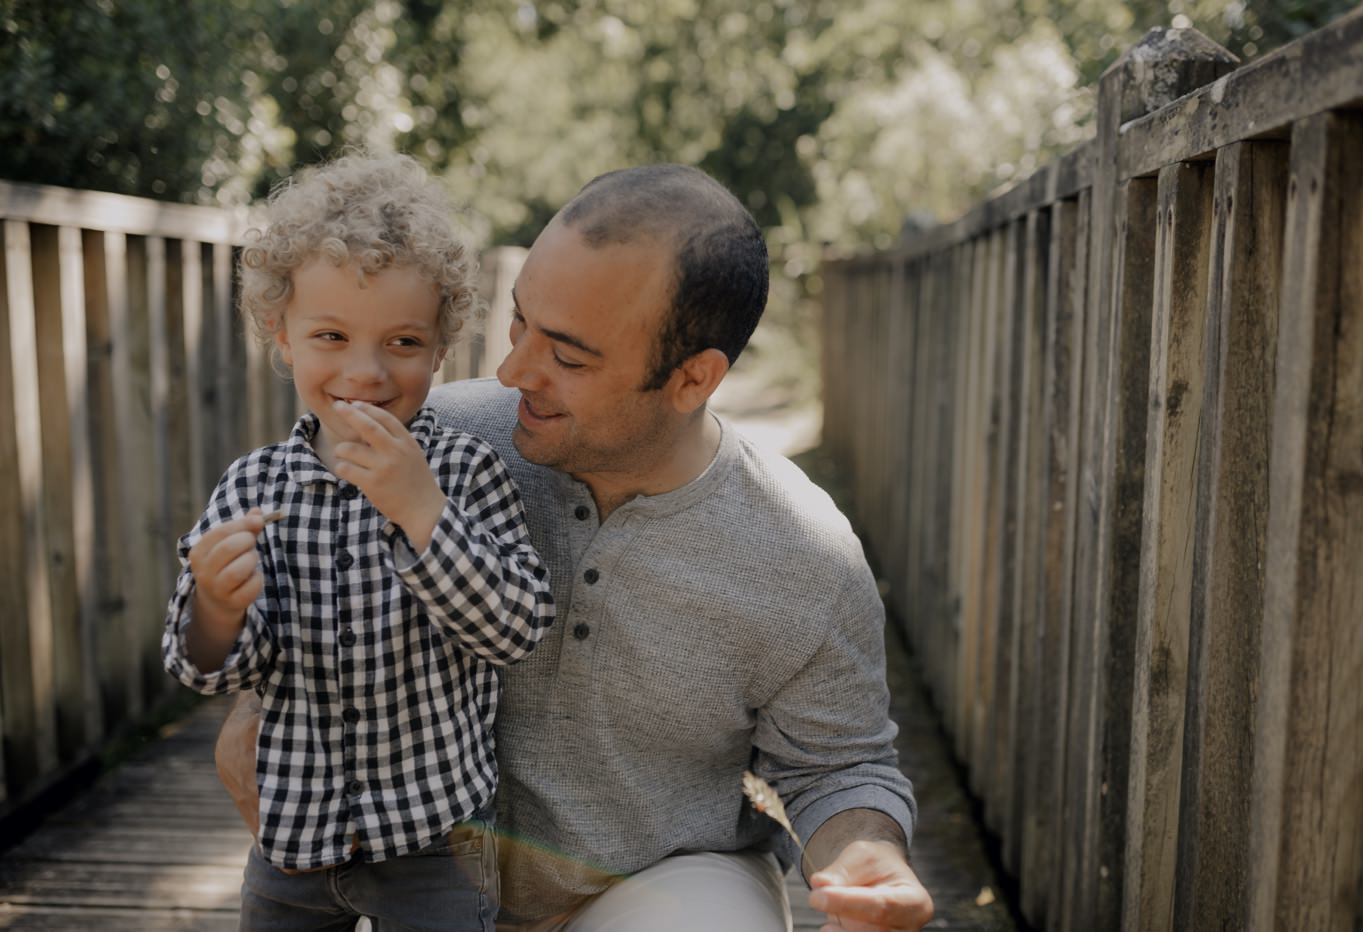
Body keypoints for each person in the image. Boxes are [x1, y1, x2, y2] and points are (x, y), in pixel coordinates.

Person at [217, 163, 936, 931]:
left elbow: (841, 764)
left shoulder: (802, 554)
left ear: (693, 378)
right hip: (416, 880)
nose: (509, 370)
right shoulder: (429, 449)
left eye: (567, 356)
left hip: (654, 885)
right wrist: (250, 708)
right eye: (519, 323)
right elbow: (301, 601)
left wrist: (869, 858)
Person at [162, 153, 555, 931]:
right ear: (282, 336)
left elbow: (518, 629)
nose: (365, 372)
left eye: (402, 343)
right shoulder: (252, 488)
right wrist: (214, 606)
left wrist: (423, 513)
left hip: (437, 839)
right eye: (331, 335)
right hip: (293, 841)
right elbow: (206, 671)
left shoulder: (465, 472)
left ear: (441, 347)